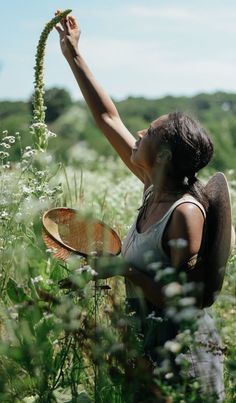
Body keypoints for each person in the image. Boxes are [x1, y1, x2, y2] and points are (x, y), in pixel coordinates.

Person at [56, 13, 224, 401]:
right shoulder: (154, 188)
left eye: (150, 131)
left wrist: (123, 268)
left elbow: (184, 300)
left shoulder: (183, 212)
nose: (140, 133)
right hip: (148, 347)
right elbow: (107, 117)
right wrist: (74, 55)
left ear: (163, 154)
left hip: (185, 358)